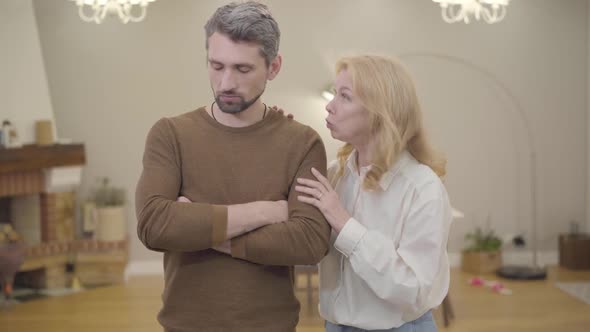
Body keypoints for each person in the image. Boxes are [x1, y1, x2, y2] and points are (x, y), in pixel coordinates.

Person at [135, 2, 331, 331]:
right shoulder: (170, 134)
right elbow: (154, 225)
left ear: (273, 67)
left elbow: (309, 242)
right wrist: (265, 212)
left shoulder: (303, 143)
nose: (225, 82)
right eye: (216, 66)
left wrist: (201, 229)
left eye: (242, 69)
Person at [295, 55, 452, 332]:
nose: (330, 106)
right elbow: (301, 240)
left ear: (382, 112)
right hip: (334, 326)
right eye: (334, 94)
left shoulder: (423, 188)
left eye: (345, 96)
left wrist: (343, 223)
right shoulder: (335, 175)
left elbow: (413, 288)